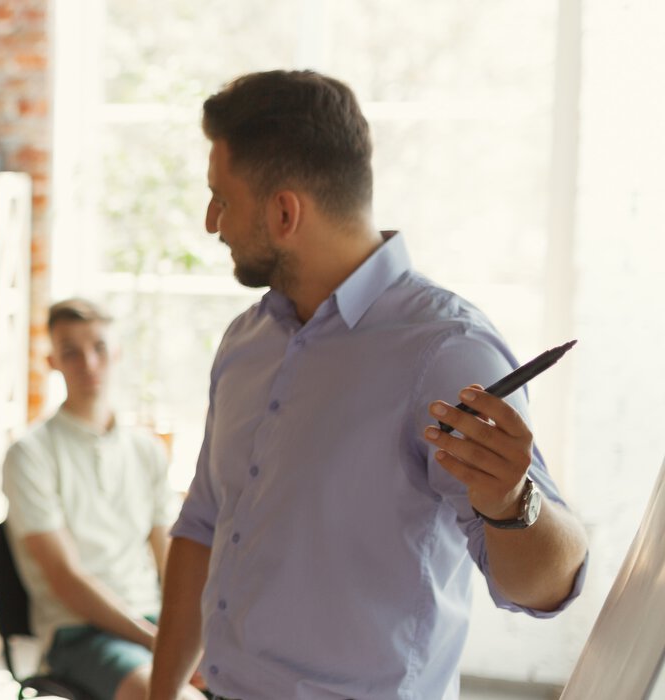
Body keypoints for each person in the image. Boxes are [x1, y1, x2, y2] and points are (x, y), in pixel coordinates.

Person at [148, 70, 591, 700]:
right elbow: (203, 524)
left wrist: (513, 501)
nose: (211, 221)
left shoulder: (447, 351)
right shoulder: (245, 341)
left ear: (283, 212)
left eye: (222, 197)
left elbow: (551, 586)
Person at [2, 299, 193, 700]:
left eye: (99, 348)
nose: (88, 363)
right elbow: (66, 579)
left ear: (117, 352)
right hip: (79, 633)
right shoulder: (30, 454)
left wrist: (190, 633)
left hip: (155, 620)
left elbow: (171, 559)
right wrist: (158, 642)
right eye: (71, 352)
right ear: (52, 361)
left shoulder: (147, 450)